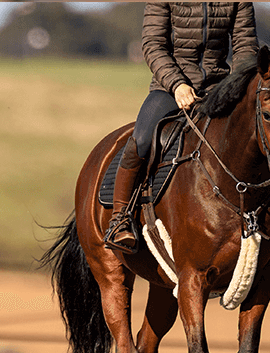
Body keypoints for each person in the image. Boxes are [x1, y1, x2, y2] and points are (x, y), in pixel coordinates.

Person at [105, 2, 258, 253]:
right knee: (141, 139)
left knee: (257, 131)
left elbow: (245, 46)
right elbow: (153, 46)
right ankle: (120, 218)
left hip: (220, 86)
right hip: (169, 88)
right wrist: (177, 85)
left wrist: (237, 85)